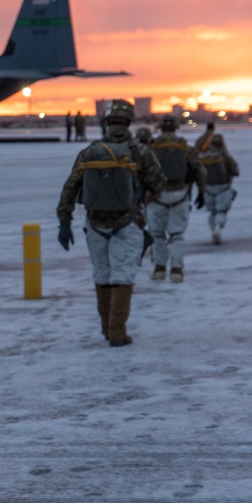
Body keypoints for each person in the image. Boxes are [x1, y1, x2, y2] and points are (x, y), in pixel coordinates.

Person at [56, 100, 166, 346]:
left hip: (95, 225)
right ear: (129, 122)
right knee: (123, 276)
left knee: (102, 275)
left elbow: (70, 188)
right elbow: (158, 183)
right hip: (128, 223)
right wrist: (141, 199)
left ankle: (107, 328)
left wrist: (64, 222)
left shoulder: (89, 152)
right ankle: (118, 332)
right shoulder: (140, 152)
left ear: (106, 123)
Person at [146, 115, 207, 283]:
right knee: (177, 235)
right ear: (175, 128)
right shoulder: (186, 149)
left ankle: (159, 269)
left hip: (155, 197)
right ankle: (177, 271)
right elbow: (199, 172)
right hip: (180, 195)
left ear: (160, 128)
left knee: (157, 234)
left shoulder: (150, 149)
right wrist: (201, 192)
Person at [197, 132, 239, 244]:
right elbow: (236, 171)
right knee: (221, 211)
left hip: (208, 188)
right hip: (223, 187)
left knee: (212, 212)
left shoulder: (203, 157)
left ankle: (213, 231)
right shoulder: (225, 157)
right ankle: (218, 229)